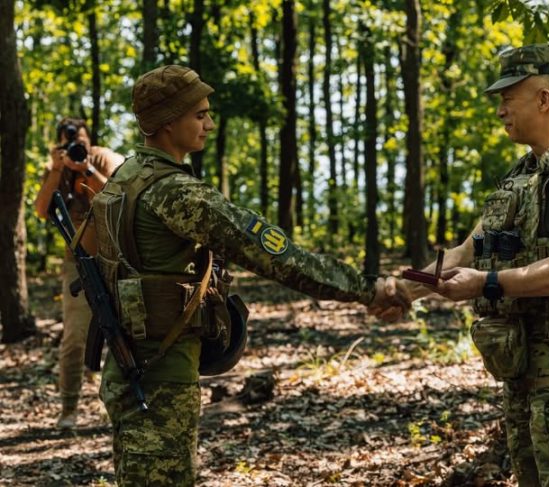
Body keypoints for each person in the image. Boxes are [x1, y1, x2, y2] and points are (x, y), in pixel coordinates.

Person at [88, 65, 410, 486]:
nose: (209, 124)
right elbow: (277, 256)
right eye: (199, 115)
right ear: (168, 122)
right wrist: (368, 289)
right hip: (161, 373)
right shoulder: (175, 192)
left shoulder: (126, 176)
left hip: (128, 365)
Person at [385, 43, 549, 486]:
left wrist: (485, 284)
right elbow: (467, 252)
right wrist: (403, 291)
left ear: (544, 99)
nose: (500, 111)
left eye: (508, 98)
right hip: (522, 361)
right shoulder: (523, 176)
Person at [34, 117, 124, 429]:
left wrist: (85, 168)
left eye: (81, 140)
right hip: (78, 263)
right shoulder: (57, 169)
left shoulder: (103, 158)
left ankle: (120, 405)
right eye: (70, 142)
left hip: (117, 260)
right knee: (73, 339)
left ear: (89, 139)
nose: (76, 146)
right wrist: (57, 169)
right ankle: (68, 409)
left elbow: (118, 196)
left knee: (124, 332)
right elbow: (42, 210)